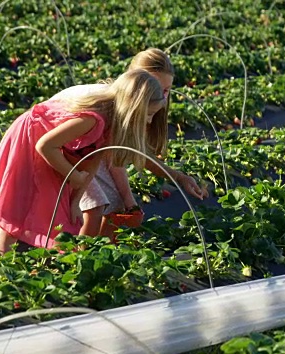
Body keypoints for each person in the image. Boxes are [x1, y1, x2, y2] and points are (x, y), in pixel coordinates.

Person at [0, 69, 165, 253]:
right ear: (132, 108)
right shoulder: (94, 119)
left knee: (61, 211)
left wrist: (76, 200)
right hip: (29, 140)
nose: (149, 121)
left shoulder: (112, 124)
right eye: (148, 115)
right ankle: (2, 265)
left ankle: (64, 263)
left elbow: (92, 161)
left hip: (54, 151)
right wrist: (74, 176)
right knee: (18, 207)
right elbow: (45, 146)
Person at [51, 48, 207, 240]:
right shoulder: (109, 106)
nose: (162, 96)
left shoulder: (142, 104)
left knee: (115, 203)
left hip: (85, 146)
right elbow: (115, 156)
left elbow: (123, 154)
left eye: (166, 90)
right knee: (95, 206)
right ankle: (77, 258)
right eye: (157, 87)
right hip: (64, 142)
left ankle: (101, 255)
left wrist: (176, 177)